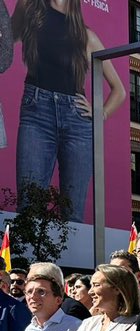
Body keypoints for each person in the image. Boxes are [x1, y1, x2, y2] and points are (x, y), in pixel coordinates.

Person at [12, 0, 125, 222]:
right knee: (29, 208)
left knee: (72, 214)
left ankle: (69, 258)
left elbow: (119, 90)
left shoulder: (86, 36)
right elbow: (6, 39)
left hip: (77, 122)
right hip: (36, 114)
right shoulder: (30, 10)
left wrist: (99, 113)